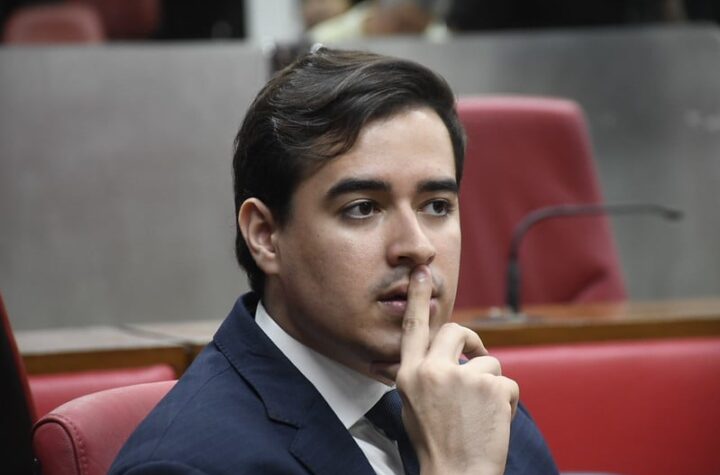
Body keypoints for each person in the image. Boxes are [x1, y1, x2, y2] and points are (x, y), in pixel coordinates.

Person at [110, 47, 558, 475]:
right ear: (265, 236)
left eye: (437, 206)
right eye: (362, 208)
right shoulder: (186, 465)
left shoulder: (476, 403)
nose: (418, 246)